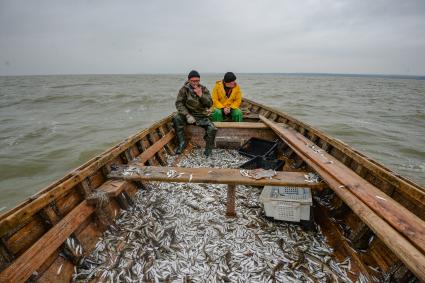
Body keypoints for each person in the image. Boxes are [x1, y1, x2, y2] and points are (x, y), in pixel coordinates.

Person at [173, 70, 217, 157]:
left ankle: (208, 149)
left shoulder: (204, 89)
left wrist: (201, 95)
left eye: (197, 81)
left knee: (212, 128)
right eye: (193, 81)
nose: (195, 83)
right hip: (188, 114)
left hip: (200, 115)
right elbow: (179, 103)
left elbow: (209, 104)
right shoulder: (183, 90)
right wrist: (187, 115)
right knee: (176, 118)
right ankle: (182, 143)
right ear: (189, 80)